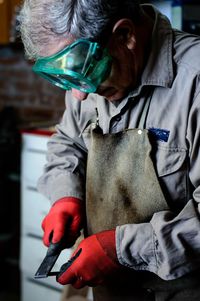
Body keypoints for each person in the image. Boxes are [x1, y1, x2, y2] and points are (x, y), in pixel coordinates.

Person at [19, 0, 200, 300]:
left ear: (125, 36)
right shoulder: (88, 79)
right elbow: (68, 141)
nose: (77, 94)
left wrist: (119, 249)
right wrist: (66, 195)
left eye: (85, 71)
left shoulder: (194, 83)